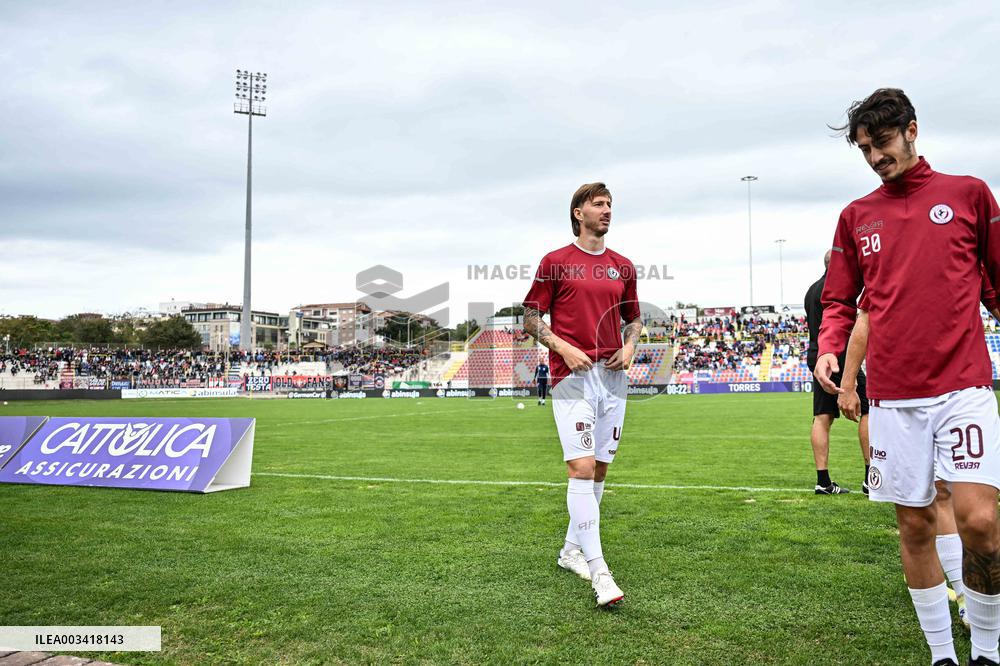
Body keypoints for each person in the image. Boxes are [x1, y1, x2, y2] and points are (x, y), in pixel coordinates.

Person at [815, 87, 1000, 666]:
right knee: (915, 525)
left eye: (884, 142)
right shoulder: (856, 216)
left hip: (964, 386)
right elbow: (841, 301)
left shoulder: (969, 195)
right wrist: (829, 348)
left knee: (980, 520)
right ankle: (942, 654)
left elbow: (997, 286)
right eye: (866, 149)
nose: (875, 157)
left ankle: (989, 650)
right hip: (893, 399)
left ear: (912, 130)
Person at [839, 277, 1000, 632]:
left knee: (970, 511)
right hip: (902, 398)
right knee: (929, 504)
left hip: (959, 392)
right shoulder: (887, 260)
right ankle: (960, 602)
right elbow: (863, 317)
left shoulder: (968, 248)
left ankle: (971, 602)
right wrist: (848, 382)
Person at [523, 182, 642, 608]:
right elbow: (531, 319)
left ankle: (570, 551)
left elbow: (634, 319)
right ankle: (600, 572)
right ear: (578, 213)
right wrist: (563, 347)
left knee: (600, 471)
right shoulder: (556, 262)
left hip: (613, 380)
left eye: (610, 204)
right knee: (581, 468)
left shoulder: (622, 266)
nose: (607, 210)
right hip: (572, 377)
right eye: (598, 204)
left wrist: (629, 347)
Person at [804, 249, 871, 495]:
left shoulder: (811, 289)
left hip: (817, 355)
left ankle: (823, 482)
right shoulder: (840, 290)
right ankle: (870, 478)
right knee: (868, 409)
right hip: (838, 355)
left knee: (822, 416)